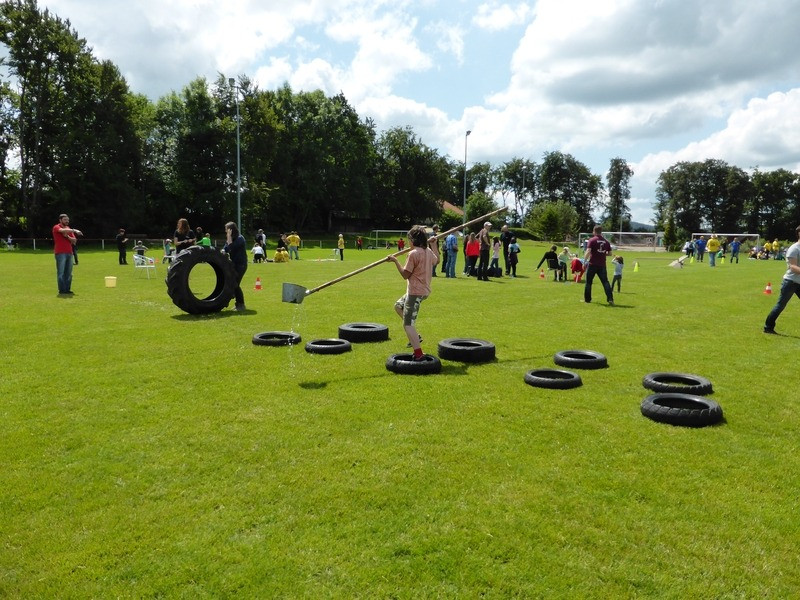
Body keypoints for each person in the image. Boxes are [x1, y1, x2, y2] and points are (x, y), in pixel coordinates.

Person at [387, 225, 439, 361]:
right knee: (398, 306)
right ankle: (416, 337)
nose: (408, 242)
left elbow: (405, 274)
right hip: (423, 291)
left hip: (415, 292)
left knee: (408, 324)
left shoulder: (413, 254)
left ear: (413, 240)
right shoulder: (427, 251)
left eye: (409, 239)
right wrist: (434, 246)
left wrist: (395, 261)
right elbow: (437, 260)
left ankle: (418, 354)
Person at [764, 224, 800, 334]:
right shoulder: (794, 249)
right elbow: (793, 267)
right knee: (781, 305)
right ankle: (768, 327)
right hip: (790, 282)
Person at [583, 224, 614, 305]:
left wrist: (584, 261)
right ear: (601, 232)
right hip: (602, 265)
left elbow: (588, 251)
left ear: (594, 231)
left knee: (589, 282)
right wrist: (603, 253)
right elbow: (610, 253)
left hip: (592, 264)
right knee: (605, 282)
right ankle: (610, 299)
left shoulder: (592, 240)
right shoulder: (606, 241)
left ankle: (587, 300)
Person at [52, 213, 82, 295]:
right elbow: (61, 231)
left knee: (69, 273)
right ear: (60, 220)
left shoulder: (68, 228)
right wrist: (74, 230)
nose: (67, 221)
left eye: (68, 220)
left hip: (69, 253)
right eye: (65, 219)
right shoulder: (56, 227)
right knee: (61, 272)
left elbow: (74, 241)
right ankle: (62, 290)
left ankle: (67, 289)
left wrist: (67, 237)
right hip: (60, 253)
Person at [222, 221, 247, 311]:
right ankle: (238, 304)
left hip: (241, 265)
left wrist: (229, 237)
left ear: (231, 230)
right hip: (234, 264)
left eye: (227, 230)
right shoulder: (232, 238)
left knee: (235, 284)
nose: (226, 232)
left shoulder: (240, 238)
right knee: (233, 284)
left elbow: (231, 247)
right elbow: (226, 249)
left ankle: (241, 304)